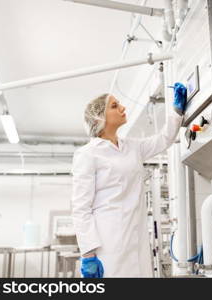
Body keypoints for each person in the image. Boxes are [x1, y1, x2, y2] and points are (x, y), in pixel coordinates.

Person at [71, 83, 187, 278]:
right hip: (107, 244)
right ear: (100, 117)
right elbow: (81, 208)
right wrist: (88, 254)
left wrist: (176, 110)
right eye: (115, 106)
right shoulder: (87, 154)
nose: (123, 108)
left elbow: (164, 139)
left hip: (137, 238)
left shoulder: (131, 147)